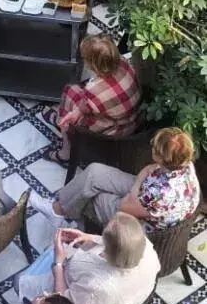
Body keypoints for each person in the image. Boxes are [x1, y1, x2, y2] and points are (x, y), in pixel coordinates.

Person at [30, 127, 201, 231]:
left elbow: (126, 205)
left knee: (94, 195)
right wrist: (143, 179)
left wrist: (138, 183)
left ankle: (71, 222)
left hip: (143, 222)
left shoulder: (160, 193)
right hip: (148, 193)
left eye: (154, 148)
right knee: (95, 173)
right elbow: (150, 175)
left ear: (164, 159)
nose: (152, 149)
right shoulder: (185, 165)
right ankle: (58, 210)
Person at [18, 214, 160, 304]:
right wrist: (88, 238)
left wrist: (58, 263)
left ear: (108, 250)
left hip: (76, 302)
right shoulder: (146, 248)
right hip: (123, 301)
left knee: (18, 281)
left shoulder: (96, 289)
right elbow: (122, 247)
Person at [41, 34, 141, 165]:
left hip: (113, 131)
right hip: (133, 120)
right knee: (76, 98)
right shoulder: (124, 62)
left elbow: (84, 106)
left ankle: (65, 149)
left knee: (71, 91)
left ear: (93, 63)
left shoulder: (94, 90)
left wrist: (74, 112)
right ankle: (63, 120)